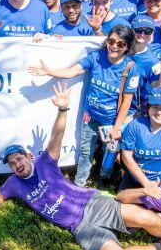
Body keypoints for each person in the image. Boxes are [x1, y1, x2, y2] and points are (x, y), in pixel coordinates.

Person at [0, 83, 161, 250]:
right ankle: (160, 248)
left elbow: (56, 135)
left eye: (19, 159)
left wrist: (62, 109)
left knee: (144, 217)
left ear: (29, 156)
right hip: (79, 226)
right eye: (12, 164)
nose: (17, 165)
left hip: (91, 203)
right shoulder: (14, 183)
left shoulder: (44, 162)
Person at [28, 25, 137, 186]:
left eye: (120, 44)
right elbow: (73, 71)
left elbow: (127, 100)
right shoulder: (96, 57)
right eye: (112, 41)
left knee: (110, 153)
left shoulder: (130, 68)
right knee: (86, 151)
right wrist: (49, 71)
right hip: (90, 115)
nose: (114, 46)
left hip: (112, 120)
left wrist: (117, 127)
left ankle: (103, 180)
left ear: (127, 47)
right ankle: (79, 183)